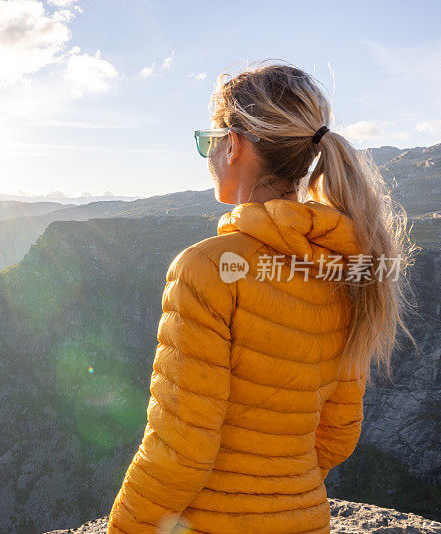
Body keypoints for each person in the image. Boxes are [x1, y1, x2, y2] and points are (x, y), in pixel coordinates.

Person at [106, 60, 419, 533]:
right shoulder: (347, 267)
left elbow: (179, 449)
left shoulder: (207, 268)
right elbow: (337, 435)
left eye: (206, 142)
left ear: (233, 146)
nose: (207, 154)